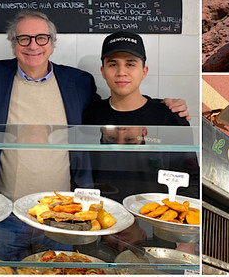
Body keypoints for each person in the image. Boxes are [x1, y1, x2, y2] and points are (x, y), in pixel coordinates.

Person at [0, 11, 188, 260]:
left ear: (52, 43)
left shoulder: (78, 82)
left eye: (41, 37)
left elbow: (116, 108)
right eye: (23, 38)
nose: (32, 45)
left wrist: (163, 107)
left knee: (60, 270)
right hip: (2, 214)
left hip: (64, 216)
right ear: (13, 43)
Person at [82, 31, 199, 253]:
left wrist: (187, 239)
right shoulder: (90, 115)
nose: (121, 72)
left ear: (144, 71)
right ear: (103, 72)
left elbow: (189, 179)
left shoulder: (169, 117)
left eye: (130, 64)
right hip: (100, 227)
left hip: (156, 229)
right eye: (113, 64)